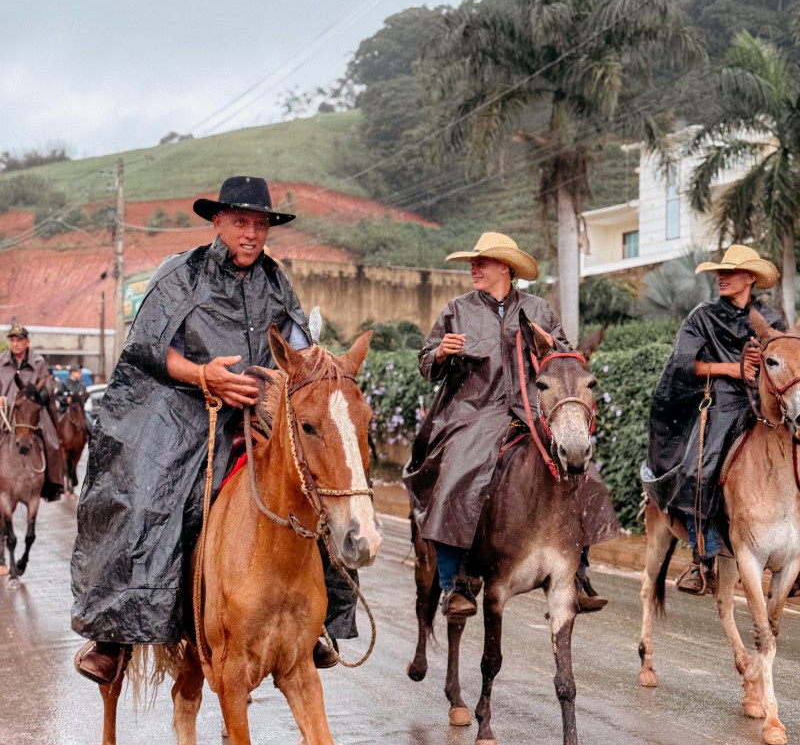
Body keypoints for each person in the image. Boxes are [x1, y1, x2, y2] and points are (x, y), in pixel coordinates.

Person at [71, 176, 348, 684]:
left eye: (259, 224)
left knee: (321, 488)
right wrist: (205, 376)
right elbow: (150, 349)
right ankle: (114, 631)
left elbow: (300, 349)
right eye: (240, 222)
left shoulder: (277, 282)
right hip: (184, 409)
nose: (250, 233)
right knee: (144, 495)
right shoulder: (181, 274)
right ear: (217, 222)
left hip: (261, 414)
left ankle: (319, 622)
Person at [404, 232, 618, 617]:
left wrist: (549, 349)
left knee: (583, 471)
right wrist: (439, 353)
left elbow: (566, 360)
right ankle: (456, 583)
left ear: (505, 267)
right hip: (472, 412)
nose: (474, 268)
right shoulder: (457, 309)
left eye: (481, 262)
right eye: (473, 262)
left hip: (530, 411)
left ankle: (580, 573)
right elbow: (426, 365)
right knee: (454, 474)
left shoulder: (539, 309)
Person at [643, 244, 784, 594]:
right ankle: (701, 558)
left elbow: (783, 360)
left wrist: (759, 363)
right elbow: (682, 365)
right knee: (698, 469)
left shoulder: (772, 318)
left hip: (766, 402)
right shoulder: (703, 316)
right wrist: (733, 368)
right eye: (719, 272)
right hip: (720, 399)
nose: (721, 277)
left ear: (749, 278)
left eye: (730, 271)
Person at [0, 325, 63, 501]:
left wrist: (36, 394)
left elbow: (48, 388)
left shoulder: (38, 363)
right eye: (12, 340)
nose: (15, 344)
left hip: (31, 412)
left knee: (52, 442)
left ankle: (52, 486)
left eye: (19, 340)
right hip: (5, 412)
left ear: (27, 342)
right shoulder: (1, 361)